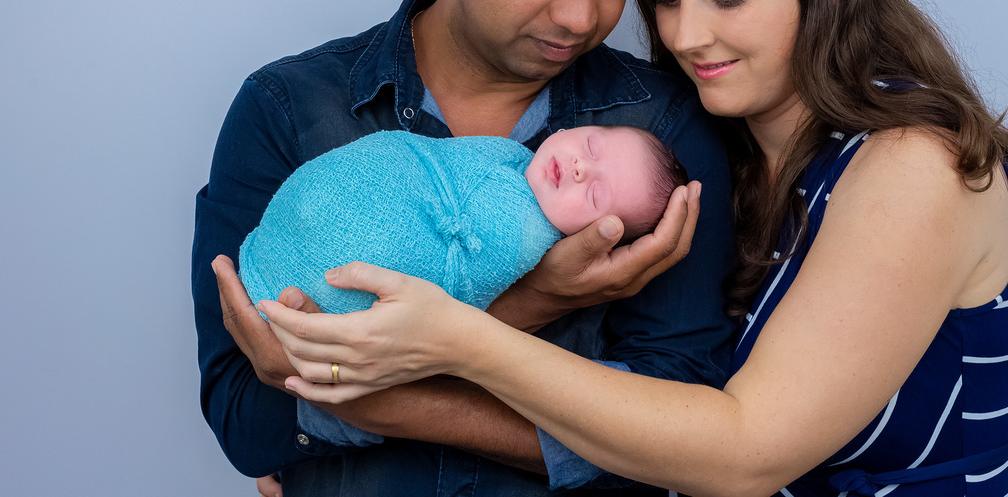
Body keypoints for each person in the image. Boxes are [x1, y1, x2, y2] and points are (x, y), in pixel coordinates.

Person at [261, 0, 1008, 497]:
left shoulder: (914, 165)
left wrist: (459, 341)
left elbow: (747, 452)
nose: (685, 36)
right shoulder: (712, 152)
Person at [193, 0, 738, 496]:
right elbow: (243, 418)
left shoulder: (662, 133)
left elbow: (685, 436)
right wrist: (535, 301)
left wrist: (363, 392)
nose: (580, 16)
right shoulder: (286, 108)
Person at [240, 126, 688, 315]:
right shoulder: (514, 158)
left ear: (596, 235)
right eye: (591, 146)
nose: (578, 168)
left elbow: (458, 294)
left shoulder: (523, 235)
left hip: (331, 273)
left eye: (594, 195)